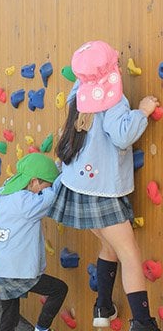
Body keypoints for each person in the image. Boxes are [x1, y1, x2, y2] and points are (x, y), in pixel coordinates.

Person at [48, 40, 160, 331]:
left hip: (78, 187)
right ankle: (143, 323)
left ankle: (103, 307)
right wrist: (143, 111)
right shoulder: (113, 99)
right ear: (110, 69)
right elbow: (123, 135)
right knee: (130, 254)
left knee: (109, 246)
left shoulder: (79, 93)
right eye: (116, 62)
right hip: (101, 192)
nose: (120, 65)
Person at [0, 153, 68, 331]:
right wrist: (61, 176)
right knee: (59, 289)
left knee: (10, 317)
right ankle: (41, 328)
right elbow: (50, 198)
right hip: (17, 271)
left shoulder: (7, 192)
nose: (42, 191)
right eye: (43, 186)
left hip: (1, 268)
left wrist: (55, 169)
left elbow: (39, 187)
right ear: (33, 182)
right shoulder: (26, 203)